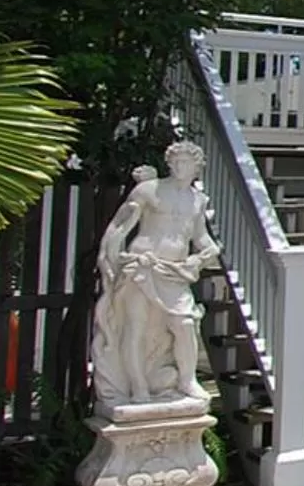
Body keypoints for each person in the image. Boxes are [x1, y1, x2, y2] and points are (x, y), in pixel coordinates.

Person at [92, 141, 220, 410]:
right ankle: (138, 387)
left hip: (174, 273)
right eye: (176, 162)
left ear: (197, 167)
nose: (179, 167)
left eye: (186, 162)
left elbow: (201, 237)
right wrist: (110, 260)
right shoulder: (149, 190)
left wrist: (206, 252)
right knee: (135, 327)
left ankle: (186, 380)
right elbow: (119, 225)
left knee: (185, 325)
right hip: (142, 266)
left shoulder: (198, 200)